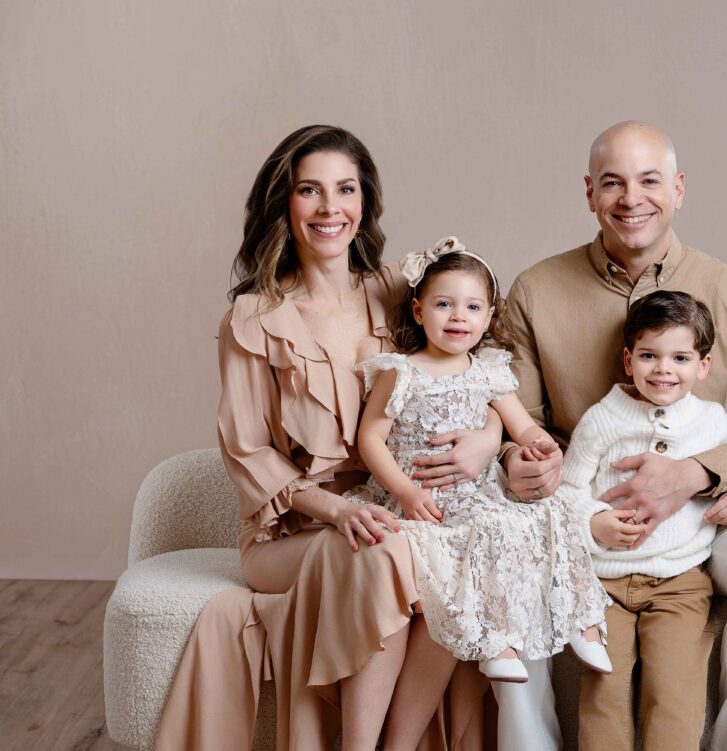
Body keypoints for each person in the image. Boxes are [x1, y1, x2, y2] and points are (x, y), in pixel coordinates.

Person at [154, 126, 500, 751]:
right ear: (285, 204)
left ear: (365, 202)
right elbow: (248, 451)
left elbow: (484, 354)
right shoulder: (254, 318)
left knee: (428, 543)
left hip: (389, 505)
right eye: (309, 190)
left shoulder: (400, 291)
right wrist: (339, 509)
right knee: (388, 548)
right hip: (292, 531)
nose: (329, 208)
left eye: (345, 189)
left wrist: (492, 435)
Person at [502, 121, 727, 750]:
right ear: (590, 192)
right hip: (583, 508)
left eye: (649, 180)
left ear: (678, 189)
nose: (631, 198)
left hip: (698, 516)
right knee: (506, 546)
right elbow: (515, 421)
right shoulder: (536, 289)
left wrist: (696, 475)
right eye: (612, 182)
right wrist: (516, 462)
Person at [344, 237, 612, 750]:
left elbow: (524, 428)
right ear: (419, 310)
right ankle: (495, 640)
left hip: (480, 497)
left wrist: (538, 448)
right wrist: (402, 489)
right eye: (444, 304)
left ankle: (581, 621)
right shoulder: (399, 371)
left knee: (546, 514)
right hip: (423, 499)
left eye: (471, 307)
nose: (457, 317)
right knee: (479, 541)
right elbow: (370, 439)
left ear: (490, 316)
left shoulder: (489, 372)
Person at [564, 290, 727, 751]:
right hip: (603, 583)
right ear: (628, 359)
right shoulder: (602, 420)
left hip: (681, 582)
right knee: (603, 690)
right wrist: (594, 520)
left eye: (680, 357)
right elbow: (567, 491)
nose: (664, 369)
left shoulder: (713, 422)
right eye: (649, 355)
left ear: (703, 366)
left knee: (674, 691)